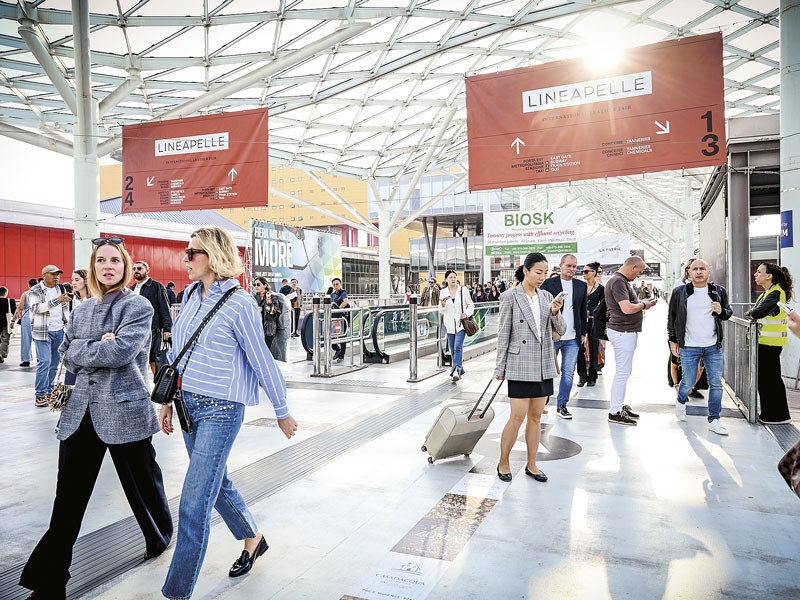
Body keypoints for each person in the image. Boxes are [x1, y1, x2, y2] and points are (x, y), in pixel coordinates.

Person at [19, 237, 172, 600]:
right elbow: (64, 353)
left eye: (115, 261)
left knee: (144, 484)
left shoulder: (138, 306)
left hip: (125, 410)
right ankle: (50, 581)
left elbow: (121, 351)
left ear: (125, 265)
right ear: (92, 266)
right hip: (79, 413)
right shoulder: (83, 307)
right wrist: (96, 346)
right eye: (101, 260)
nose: (108, 266)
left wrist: (89, 348)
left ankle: (158, 535)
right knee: (68, 498)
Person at [159, 226, 297, 600]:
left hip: (221, 411)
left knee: (192, 503)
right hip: (187, 405)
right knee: (215, 483)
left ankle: (176, 593)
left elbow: (261, 359)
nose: (185, 259)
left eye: (194, 253)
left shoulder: (240, 303)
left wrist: (281, 410)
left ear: (215, 257)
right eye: (187, 253)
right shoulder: (189, 294)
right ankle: (253, 538)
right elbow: (178, 355)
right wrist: (168, 400)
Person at [494, 252, 565, 483]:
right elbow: (503, 333)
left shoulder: (546, 296)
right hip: (520, 363)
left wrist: (555, 311)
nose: (542, 277)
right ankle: (503, 462)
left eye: (545, 273)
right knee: (517, 416)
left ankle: (532, 464)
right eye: (538, 272)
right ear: (525, 271)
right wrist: (500, 367)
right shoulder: (510, 297)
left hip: (543, 363)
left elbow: (561, 330)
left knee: (536, 417)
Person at [668, 259, 733, 435]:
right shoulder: (680, 292)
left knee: (716, 383)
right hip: (689, 345)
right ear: (689, 272)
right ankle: (681, 401)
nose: (698, 272)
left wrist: (722, 311)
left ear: (708, 271)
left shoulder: (718, 291)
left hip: (713, 345)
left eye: (702, 268)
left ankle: (714, 419)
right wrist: (673, 340)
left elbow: (728, 312)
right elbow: (672, 318)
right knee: (688, 381)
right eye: (694, 269)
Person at [605, 256, 657, 426]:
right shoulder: (618, 282)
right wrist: (644, 305)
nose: (639, 275)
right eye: (639, 271)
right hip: (623, 331)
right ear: (633, 267)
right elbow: (627, 308)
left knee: (623, 372)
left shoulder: (621, 281)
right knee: (622, 373)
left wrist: (641, 303)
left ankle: (618, 405)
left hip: (625, 331)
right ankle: (615, 411)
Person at [541, 254, 588, 419]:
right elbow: (541, 308)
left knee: (568, 373)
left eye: (575, 266)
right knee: (546, 371)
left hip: (572, 338)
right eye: (569, 265)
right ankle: (542, 402)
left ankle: (562, 405)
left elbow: (583, 311)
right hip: (552, 336)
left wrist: (583, 333)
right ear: (561, 266)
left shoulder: (581, 286)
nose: (572, 269)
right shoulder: (548, 284)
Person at [747, 263, 794, 424]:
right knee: (768, 379)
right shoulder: (768, 293)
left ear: (769, 276)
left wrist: (751, 313)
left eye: (759, 272)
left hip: (769, 344)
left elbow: (757, 312)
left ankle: (777, 416)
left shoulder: (775, 293)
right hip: (765, 344)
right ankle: (771, 414)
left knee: (770, 380)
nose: (755, 274)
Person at [28, 265, 71, 408]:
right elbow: (36, 308)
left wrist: (68, 325)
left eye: (58, 274)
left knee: (54, 364)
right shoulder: (35, 291)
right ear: (44, 275)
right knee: (44, 362)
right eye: (53, 274)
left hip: (59, 330)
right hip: (43, 332)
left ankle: (48, 390)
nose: (56, 277)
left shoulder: (61, 289)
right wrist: (57, 300)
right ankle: (40, 394)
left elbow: (64, 309)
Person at [130, 261, 173, 374]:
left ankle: (157, 385)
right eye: (134, 269)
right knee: (139, 358)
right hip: (135, 330)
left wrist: (167, 329)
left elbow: (164, 307)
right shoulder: (132, 288)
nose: (136, 271)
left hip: (152, 328)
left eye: (139, 268)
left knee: (153, 359)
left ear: (147, 270)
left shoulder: (156, 286)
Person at [439, 270, 475, 382]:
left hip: (461, 324)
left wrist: (466, 314)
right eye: (450, 277)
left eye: (454, 277)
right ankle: (460, 369)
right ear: (446, 279)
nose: (453, 279)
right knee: (453, 350)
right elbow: (440, 310)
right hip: (449, 325)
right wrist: (443, 305)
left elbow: (471, 305)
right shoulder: (443, 292)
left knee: (457, 347)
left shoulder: (463, 290)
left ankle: (454, 370)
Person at [577, 262, 603, 387]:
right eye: (583, 271)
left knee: (593, 348)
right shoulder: (579, 287)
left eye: (587, 271)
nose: (584, 274)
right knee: (579, 347)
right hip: (580, 321)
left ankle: (593, 376)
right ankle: (582, 376)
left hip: (593, 321)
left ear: (594, 273)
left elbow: (604, 306)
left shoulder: (601, 289)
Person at [13, 278, 39, 367]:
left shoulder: (26, 294)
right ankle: (40, 358)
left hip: (27, 319)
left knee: (26, 340)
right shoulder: (41, 293)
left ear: (29, 285)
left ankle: (26, 361)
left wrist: (13, 320)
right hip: (39, 319)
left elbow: (20, 308)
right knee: (39, 339)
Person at [330, 277, 350, 362]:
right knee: (331, 334)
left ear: (340, 284)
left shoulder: (343, 292)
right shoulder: (332, 294)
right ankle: (336, 349)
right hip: (334, 317)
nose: (335, 286)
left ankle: (341, 356)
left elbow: (346, 301)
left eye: (337, 284)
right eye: (334, 284)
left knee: (343, 336)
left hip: (342, 316)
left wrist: (338, 309)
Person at [0, 286, 17, 364]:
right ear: (5, 293)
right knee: (5, 339)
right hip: (6, 323)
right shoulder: (10, 301)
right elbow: (14, 312)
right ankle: (2, 354)